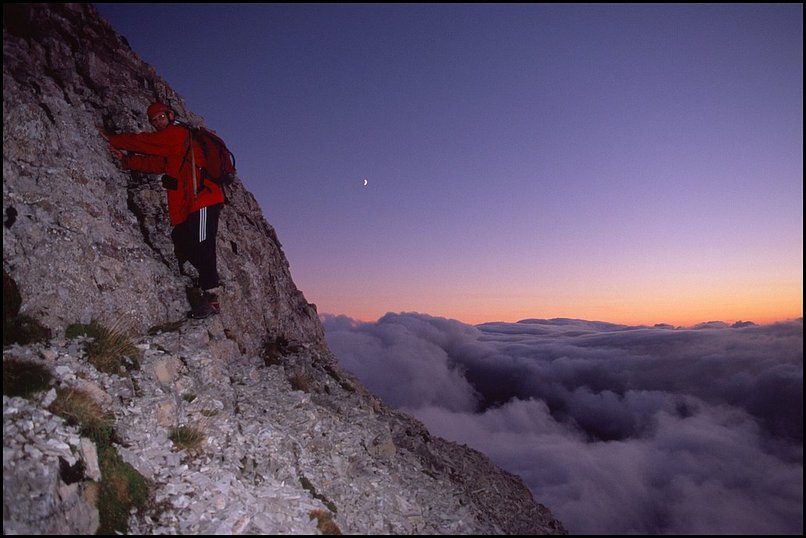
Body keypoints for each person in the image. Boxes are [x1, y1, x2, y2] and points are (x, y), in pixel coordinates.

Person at [100, 102, 224, 319]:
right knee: (181, 238)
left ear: (170, 115)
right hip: (191, 204)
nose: (158, 122)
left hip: (204, 199)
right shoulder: (173, 145)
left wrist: (112, 138)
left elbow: (146, 143)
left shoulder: (176, 134)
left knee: (203, 242)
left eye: (160, 117)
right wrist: (127, 162)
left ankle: (211, 295)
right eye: (154, 120)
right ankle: (208, 276)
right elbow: (157, 164)